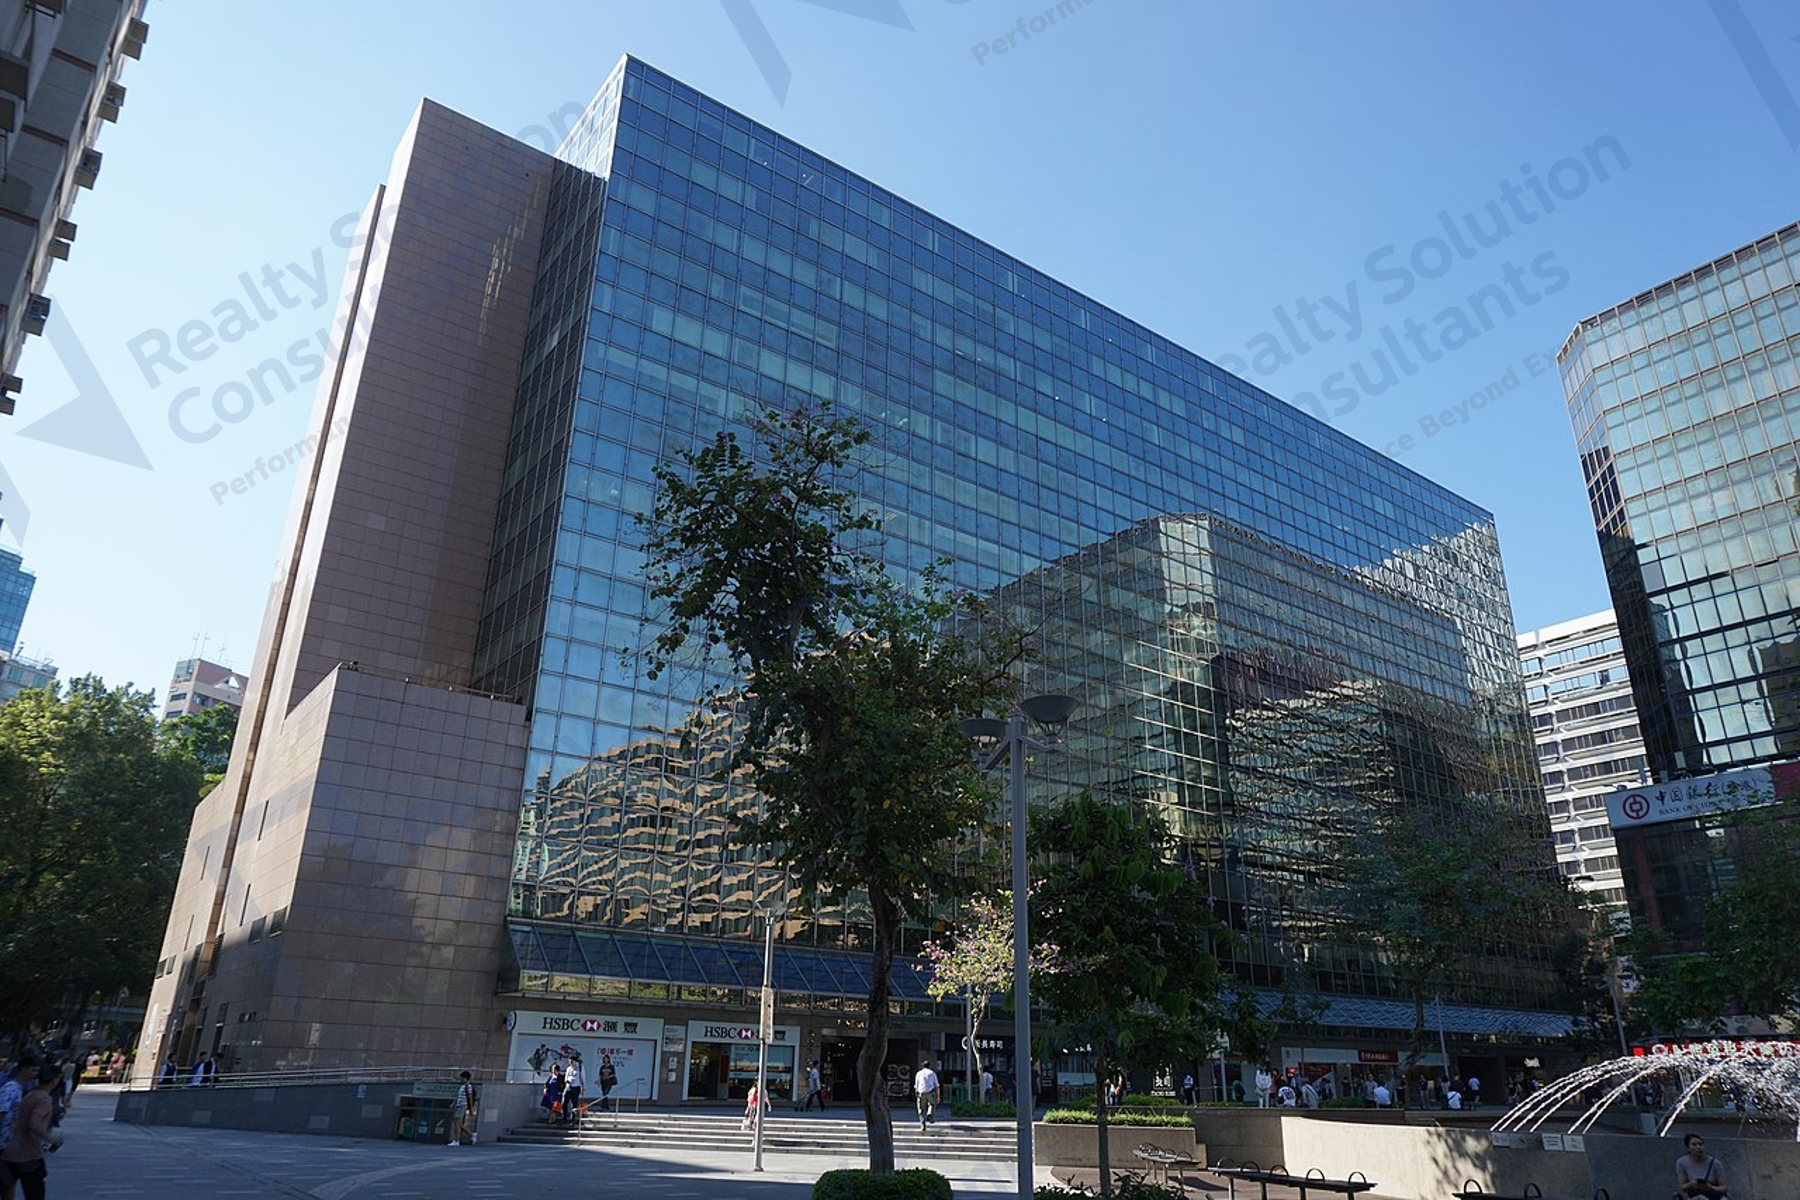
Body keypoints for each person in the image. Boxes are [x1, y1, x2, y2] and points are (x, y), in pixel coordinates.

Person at [1, 1064, 57, 1200]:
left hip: (12, 1149)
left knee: (6, 1186)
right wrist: (52, 1140)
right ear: (55, 1080)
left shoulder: (30, 1094)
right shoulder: (43, 1099)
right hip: (29, 1153)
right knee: (34, 1192)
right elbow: (34, 1124)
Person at [1675, 1133, 1729, 1199]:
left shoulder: (1715, 1163)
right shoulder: (1681, 1162)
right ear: (1688, 1148)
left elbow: (1724, 1187)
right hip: (1695, 1196)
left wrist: (1711, 1187)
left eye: (1700, 1144)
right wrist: (1692, 1183)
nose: (1698, 1147)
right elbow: (1683, 1186)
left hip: (1714, 1196)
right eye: (1694, 1145)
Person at [446, 1071, 478, 1147]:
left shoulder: (468, 1086)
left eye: (461, 1078)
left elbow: (470, 1097)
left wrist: (471, 1109)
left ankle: (457, 1140)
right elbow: (458, 1096)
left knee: (457, 1122)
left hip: (463, 1105)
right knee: (458, 1123)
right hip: (459, 1105)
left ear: (465, 1078)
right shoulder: (462, 1086)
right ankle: (471, 1134)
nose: (460, 1080)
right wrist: (454, 1103)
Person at [913, 1061, 940, 1131]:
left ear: (922, 1066)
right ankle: (930, 1114)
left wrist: (916, 1094)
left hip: (921, 1092)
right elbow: (937, 1085)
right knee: (932, 1104)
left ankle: (923, 1125)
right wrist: (938, 1096)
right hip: (930, 1092)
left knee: (921, 1109)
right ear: (929, 1066)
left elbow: (916, 1085)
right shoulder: (932, 1073)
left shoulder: (919, 1073)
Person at [561, 1055, 584, 1128]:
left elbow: (582, 1078)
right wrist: (567, 1082)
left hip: (576, 1087)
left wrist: (583, 1088)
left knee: (574, 1104)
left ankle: (573, 1120)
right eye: (569, 1061)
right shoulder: (568, 1068)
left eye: (572, 1061)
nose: (570, 1062)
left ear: (575, 1061)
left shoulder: (580, 1068)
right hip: (568, 1087)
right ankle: (564, 1118)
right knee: (564, 1103)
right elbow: (566, 1078)